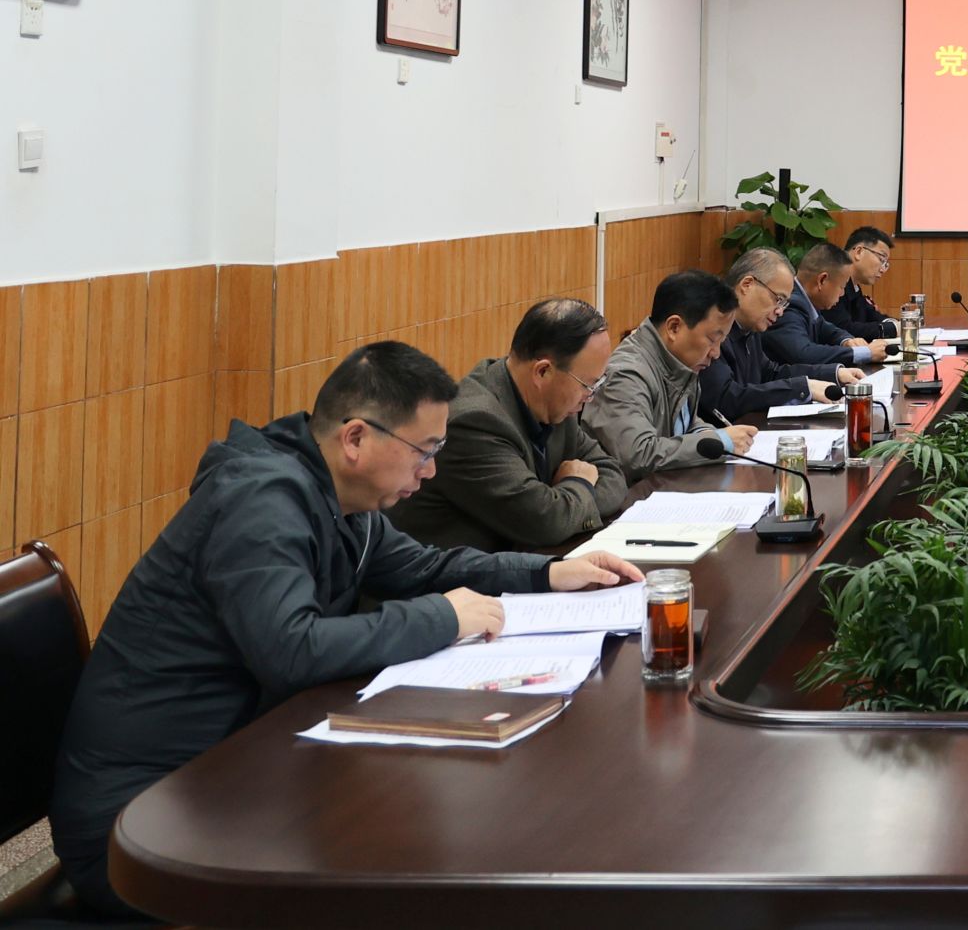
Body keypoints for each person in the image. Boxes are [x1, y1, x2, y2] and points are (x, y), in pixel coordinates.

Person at [49, 343, 645, 920]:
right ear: (356, 438)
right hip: (143, 821)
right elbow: (291, 649)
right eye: (423, 450)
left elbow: (425, 567)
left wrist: (547, 572)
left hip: (236, 768)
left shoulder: (341, 497)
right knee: (414, 845)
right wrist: (442, 617)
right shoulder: (260, 503)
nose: (431, 470)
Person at [388, 298, 627, 552]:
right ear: (543, 372)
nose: (589, 397)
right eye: (587, 385)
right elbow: (545, 522)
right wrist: (580, 484)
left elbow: (613, 475)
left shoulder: (556, 407)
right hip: (453, 573)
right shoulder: (474, 423)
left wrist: (564, 504)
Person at [583, 270, 761, 479]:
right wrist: (720, 441)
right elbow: (637, 455)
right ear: (674, 327)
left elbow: (686, 423)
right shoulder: (626, 374)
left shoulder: (680, 362)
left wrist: (707, 434)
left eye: (722, 342)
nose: (716, 353)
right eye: (713, 339)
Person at [702, 247, 862, 418]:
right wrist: (802, 388)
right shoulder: (711, 329)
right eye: (778, 299)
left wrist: (832, 374)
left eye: (784, 303)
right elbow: (726, 399)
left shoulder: (750, 328)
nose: (780, 311)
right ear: (747, 285)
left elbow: (770, 373)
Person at [764, 243, 899, 369]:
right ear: (822, 280)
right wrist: (864, 353)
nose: (842, 294)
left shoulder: (806, 300)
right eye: (842, 287)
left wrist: (846, 340)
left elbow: (825, 328)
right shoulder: (789, 305)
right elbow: (803, 354)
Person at [820, 226, 899, 339]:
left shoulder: (854, 286)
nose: (882, 269)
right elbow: (843, 329)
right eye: (881, 259)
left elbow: (871, 315)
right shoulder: (831, 280)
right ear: (858, 252)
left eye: (885, 264)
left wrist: (897, 324)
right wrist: (894, 328)